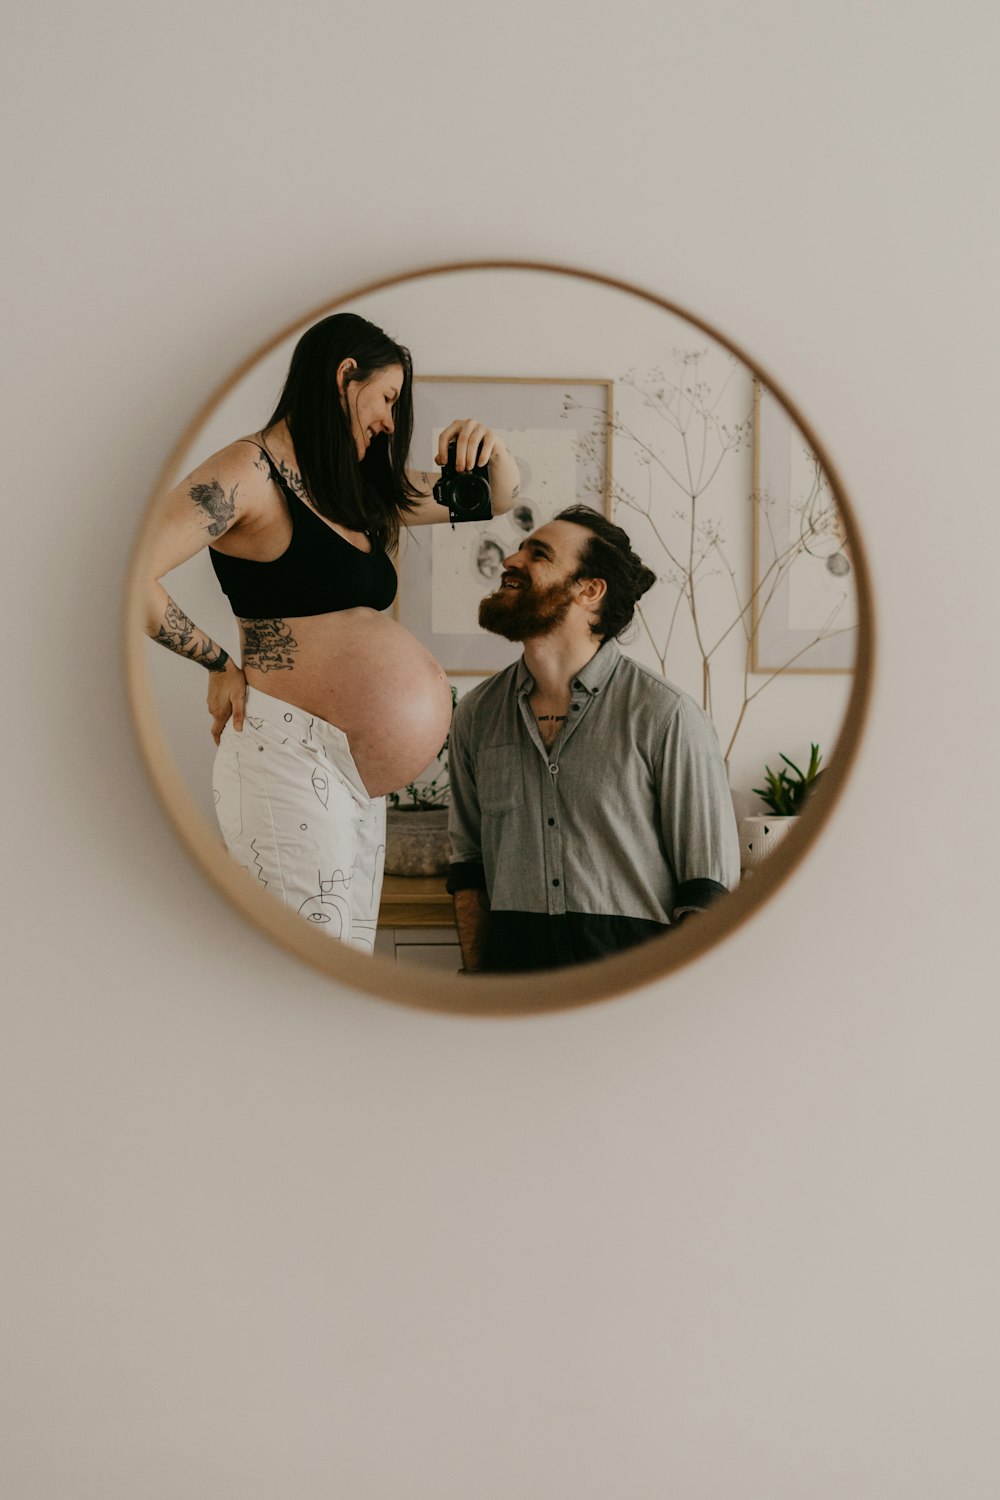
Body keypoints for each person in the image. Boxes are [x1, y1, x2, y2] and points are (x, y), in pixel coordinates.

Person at [145, 312, 520, 953]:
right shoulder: (249, 470)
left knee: (343, 971)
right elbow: (128, 568)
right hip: (288, 757)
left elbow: (498, 497)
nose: (390, 421)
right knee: (305, 978)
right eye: (388, 398)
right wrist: (215, 665)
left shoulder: (354, 492)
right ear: (345, 375)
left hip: (354, 781)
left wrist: (488, 443)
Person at [446, 504, 740, 973]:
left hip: (633, 988)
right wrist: (477, 983)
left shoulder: (667, 715)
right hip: (511, 988)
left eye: (538, 554)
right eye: (519, 549)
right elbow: (469, 868)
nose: (510, 561)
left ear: (590, 590)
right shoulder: (476, 714)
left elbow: (706, 890)